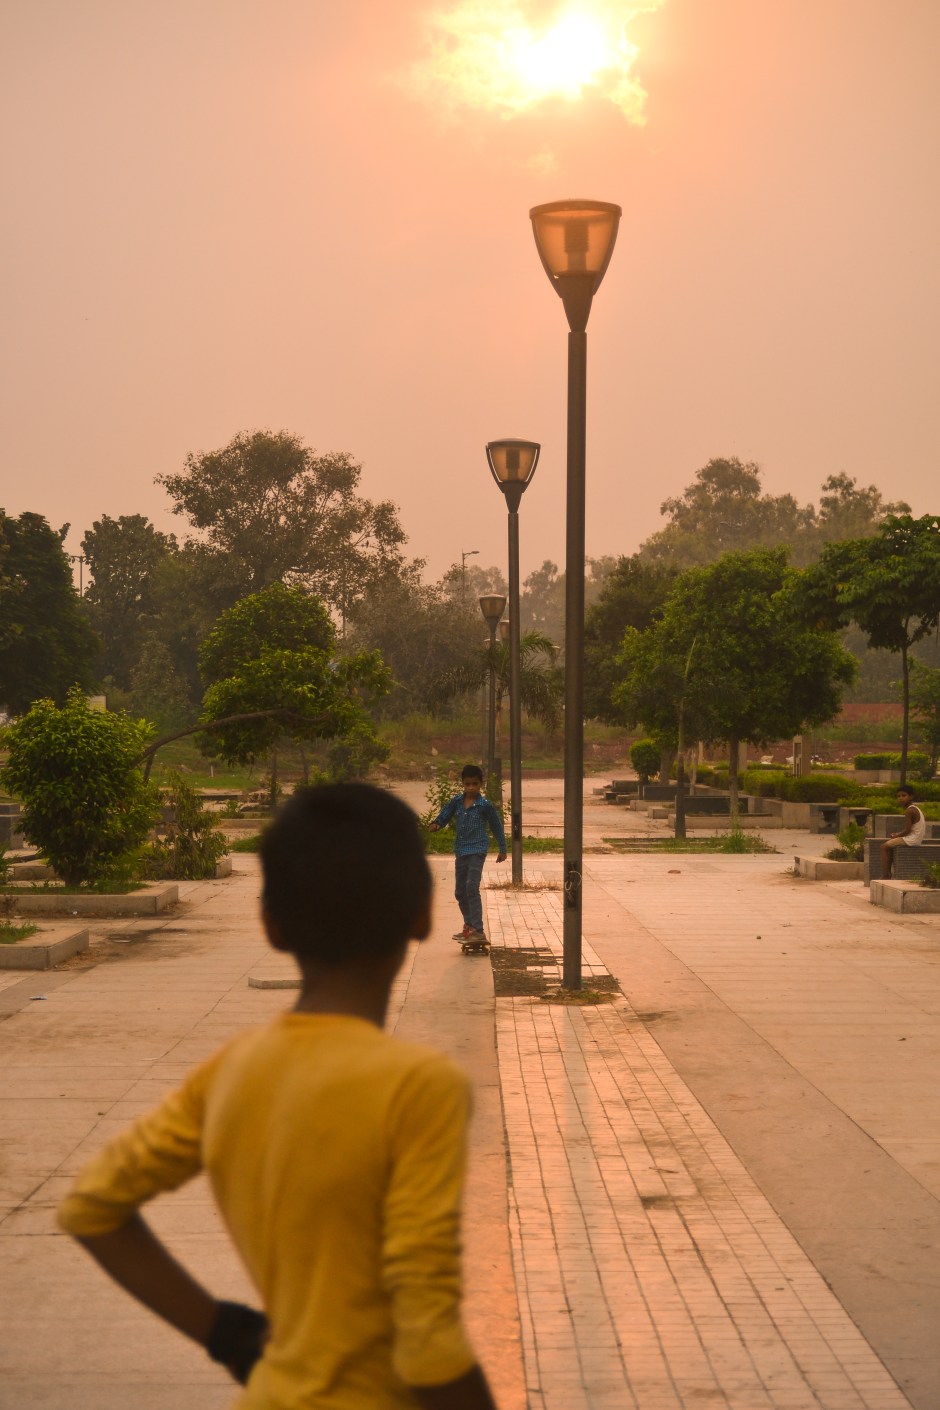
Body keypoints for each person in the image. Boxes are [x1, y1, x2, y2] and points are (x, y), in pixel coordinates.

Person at [57, 783, 498, 1410]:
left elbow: (90, 1208)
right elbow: (426, 1337)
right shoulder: (420, 1087)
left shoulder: (230, 1073)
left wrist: (228, 1334)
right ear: (424, 914)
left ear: (270, 924)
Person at [428, 765, 506, 943]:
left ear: (481, 784)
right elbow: (445, 815)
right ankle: (469, 925)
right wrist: (437, 824)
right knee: (460, 892)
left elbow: (496, 826)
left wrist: (502, 848)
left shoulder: (485, 805)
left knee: (471, 886)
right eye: (468, 784)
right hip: (461, 850)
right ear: (463, 784)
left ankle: (478, 930)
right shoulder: (457, 801)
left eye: (475, 784)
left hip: (478, 849)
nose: (471, 788)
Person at [880, 784, 927, 878]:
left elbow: (907, 831)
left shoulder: (910, 811)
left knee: (883, 847)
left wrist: (896, 836)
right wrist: (898, 835)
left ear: (911, 796)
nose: (901, 798)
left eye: (904, 795)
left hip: (912, 839)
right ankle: (888, 873)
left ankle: (886, 875)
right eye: (899, 796)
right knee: (890, 847)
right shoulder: (915, 808)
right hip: (914, 838)